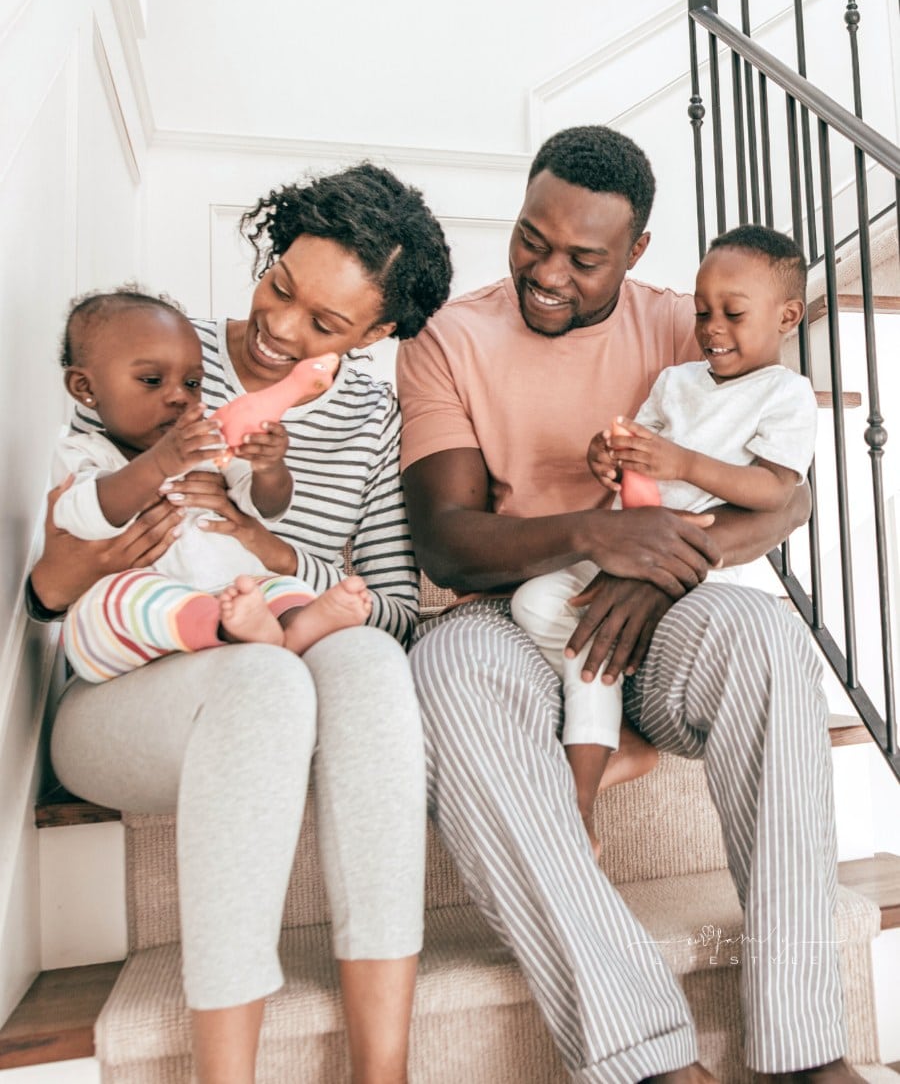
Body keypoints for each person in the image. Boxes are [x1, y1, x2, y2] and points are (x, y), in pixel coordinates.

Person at [396, 125, 862, 1084]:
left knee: (769, 636)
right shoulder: (450, 338)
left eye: (583, 257)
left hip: (657, 607)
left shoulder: (686, 327)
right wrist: (594, 536)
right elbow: (446, 539)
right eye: (532, 239)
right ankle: (639, 1050)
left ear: (637, 252)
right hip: (510, 608)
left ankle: (804, 1045)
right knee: (444, 672)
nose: (547, 273)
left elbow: (791, 497)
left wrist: (656, 571)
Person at [28, 163, 453, 1084]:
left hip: (278, 636)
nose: (280, 327)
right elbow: (58, 568)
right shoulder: (159, 360)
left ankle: (386, 1072)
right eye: (279, 285)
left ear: (379, 335)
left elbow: (393, 606)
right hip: (129, 696)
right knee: (264, 678)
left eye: (324, 323)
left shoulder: (376, 422)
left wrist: (276, 556)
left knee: (372, 663)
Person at [510, 224, 818, 859]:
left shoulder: (785, 395)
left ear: (787, 317)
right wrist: (610, 456)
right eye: (703, 311)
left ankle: (583, 786)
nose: (711, 328)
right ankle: (608, 738)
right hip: (628, 546)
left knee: (595, 637)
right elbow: (639, 457)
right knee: (536, 602)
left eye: (733, 314)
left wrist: (683, 464)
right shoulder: (676, 382)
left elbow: (776, 489)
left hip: (704, 577)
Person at [54, 288, 375, 682]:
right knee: (106, 606)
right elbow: (87, 515)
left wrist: (269, 468)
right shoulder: (83, 453)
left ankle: (296, 626)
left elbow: (265, 508)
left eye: (192, 383)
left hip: (232, 588)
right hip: (152, 620)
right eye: (152, 380)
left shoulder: (210, 447)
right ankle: (224, 628)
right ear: (85, 389)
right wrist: (161, 463)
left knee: (281, 588)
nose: (178, 397)